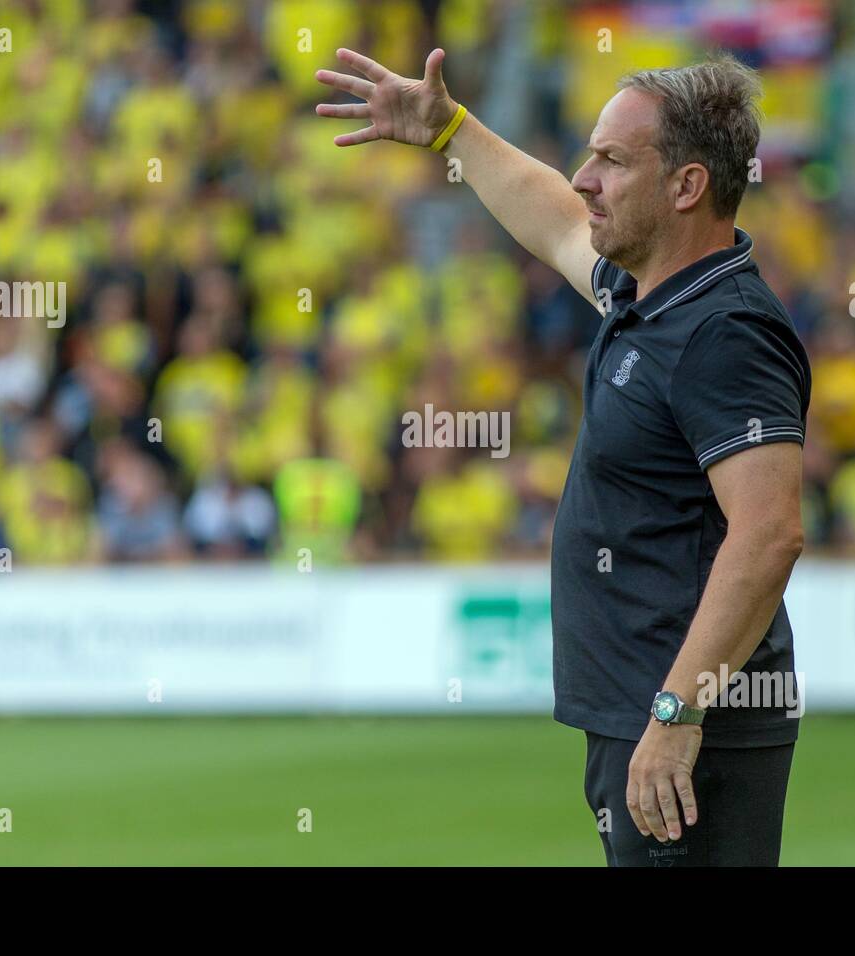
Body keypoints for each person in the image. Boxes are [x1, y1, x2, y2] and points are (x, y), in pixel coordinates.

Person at [316, 48, 810, 866]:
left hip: (688, 730)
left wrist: (678, 714)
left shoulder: (724, 333)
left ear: (687, 187)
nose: (585, 178)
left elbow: (767, 534)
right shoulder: (646, 293)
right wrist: (451, 131)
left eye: (612, 161)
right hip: (643, 715)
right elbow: (549, 217)